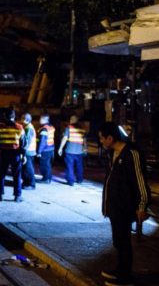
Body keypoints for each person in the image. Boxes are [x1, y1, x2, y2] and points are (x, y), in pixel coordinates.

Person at [98, 122, 150, 286]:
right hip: (114, 206)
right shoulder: (112, 153)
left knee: (124, 241)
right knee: (118, 240)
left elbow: (140, 180)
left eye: (101, 138)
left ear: (110, 138)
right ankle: (120, 270)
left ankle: (125, 278)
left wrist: (142, 205)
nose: (100, 141)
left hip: (125, 206)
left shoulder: (131, 153)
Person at [0, 108, 25, 202]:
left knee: (1, 175)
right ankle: (17, 196)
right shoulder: (20, 127)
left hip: (4, 153)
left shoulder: (0, 127)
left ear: (5, 117)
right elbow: (23, 143)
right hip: (16, 153)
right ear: (14, 117)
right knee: (17, 175)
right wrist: (23, 155)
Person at [57, 115, 87, 186]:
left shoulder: (69, 128)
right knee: (79, 166)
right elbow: (84, 140)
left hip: (70, 151)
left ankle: (70, 181)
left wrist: (60, 148)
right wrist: (85, 149)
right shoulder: (82, 129)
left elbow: (65, 138)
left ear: (73, 120)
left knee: (69, 166)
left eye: (71, 119)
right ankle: (79, 179)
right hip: (79, 151)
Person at [36, 114, 55, 183]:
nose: (39, 120)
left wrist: (39, 151)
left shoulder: (44, 129)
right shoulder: (51, 127)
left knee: (44, 165)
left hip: (45, 149)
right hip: (51, 148)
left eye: (40, 119)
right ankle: (48, 177)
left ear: (44, 120)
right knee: (48, 164)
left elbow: (42, 141)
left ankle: (45, 179)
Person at [21, 113, 37, 189]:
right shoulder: (28, 127)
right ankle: (26, 182)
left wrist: (23, 152)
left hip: (29, 151)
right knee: (26, 168)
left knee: (28, 168)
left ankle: (31, 184)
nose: (21, 120)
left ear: (25, 119)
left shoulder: (28, 128)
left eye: (22, 118)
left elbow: (27, 142)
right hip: (29, 151)